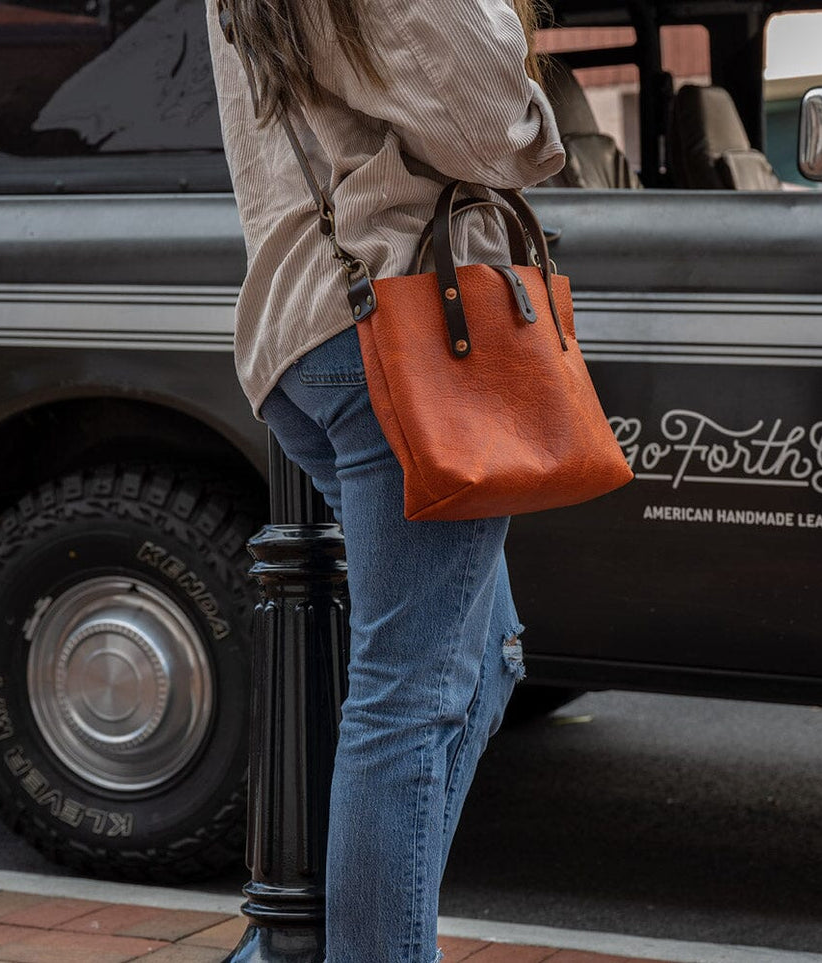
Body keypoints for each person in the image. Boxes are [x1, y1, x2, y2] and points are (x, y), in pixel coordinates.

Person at [204, 1, 566, 960]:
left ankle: (324, 941)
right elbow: (491, 119)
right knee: (407, 697)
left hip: (306, 332)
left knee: (479, 658)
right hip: (403, 328)